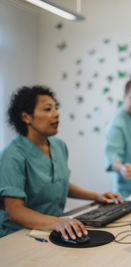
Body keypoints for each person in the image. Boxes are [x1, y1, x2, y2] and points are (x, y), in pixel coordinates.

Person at [0, 86, 122, 240]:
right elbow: (14, 211)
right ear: (26, 117)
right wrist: (57, 222)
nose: (56, 114)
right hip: (18, 235)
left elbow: (60, 184)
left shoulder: (59, 146)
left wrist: (97, 196)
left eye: (56, 108)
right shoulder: (12, 156)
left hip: (51, 228)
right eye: (47, 109)